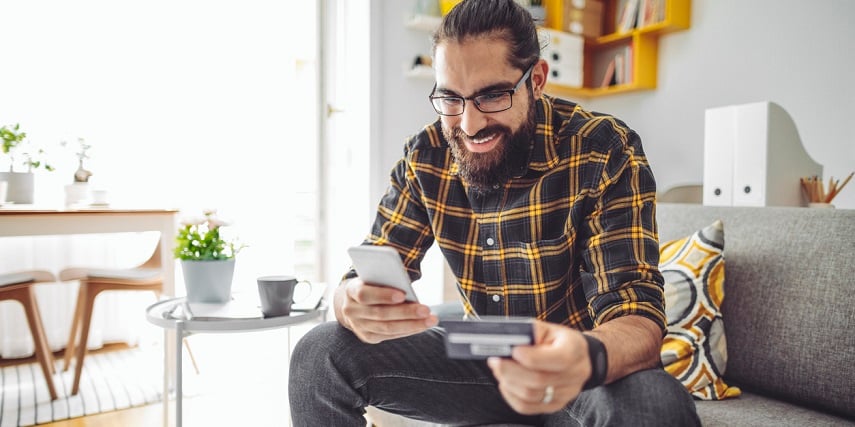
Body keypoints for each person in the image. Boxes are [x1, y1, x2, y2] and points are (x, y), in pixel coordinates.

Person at [289, 0, 699, 425]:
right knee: (318, 353)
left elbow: (637, 317)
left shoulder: (602, 148)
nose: (469, 124)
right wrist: (348, 300)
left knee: (654, 406)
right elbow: (371, 266)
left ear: (535, 80)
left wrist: (586, 356)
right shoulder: (426, 155)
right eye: (451, 98)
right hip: (479, 364)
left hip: (580, 370)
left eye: (491, 96)